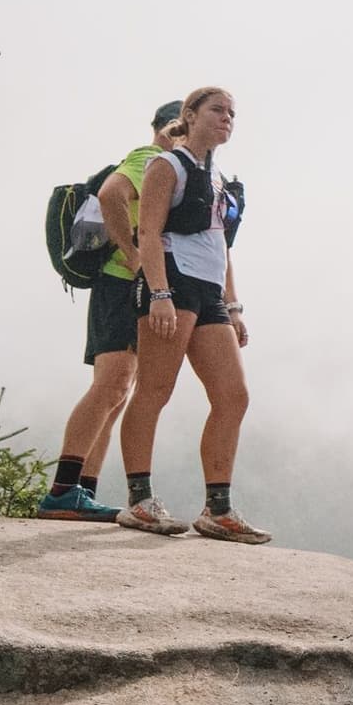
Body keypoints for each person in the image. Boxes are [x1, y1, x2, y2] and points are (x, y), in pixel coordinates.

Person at [109, 86, 265, 544]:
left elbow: (222, 246)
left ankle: (218, 509)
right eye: (217, 110)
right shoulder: (167, 164)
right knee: (155, 389)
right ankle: (139, 501)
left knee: (233, 395)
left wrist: (233, 307)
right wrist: (158, 292)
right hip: (171, 282)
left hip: (209, 291)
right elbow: (150, 233)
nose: (227, 119)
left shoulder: (217, 178)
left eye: (233, 113)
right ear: (190, 115)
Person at [40, 97, 187, 522]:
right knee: (111, 385)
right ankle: (64, 491)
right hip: (121, 284)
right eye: (177, 128)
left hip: (129, 286)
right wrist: (134, 253)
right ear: (163, 129)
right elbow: (110, 195)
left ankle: (81, 490)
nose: (181, 137)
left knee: (117, 392)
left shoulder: (167, 165)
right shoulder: (150, 157)